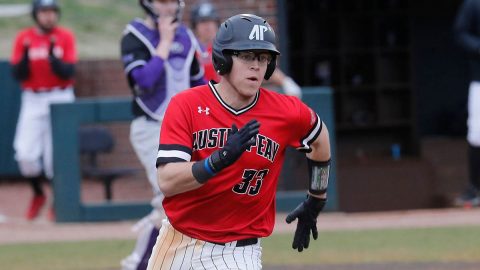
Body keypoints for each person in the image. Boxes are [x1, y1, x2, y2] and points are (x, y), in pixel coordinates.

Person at [148, 14, 331, 269]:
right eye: (247, 56)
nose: (256, 65)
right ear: (223, 59)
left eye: (263, 58)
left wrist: (316, 198)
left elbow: (320, 139)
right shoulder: (187, 105)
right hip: (176, 241)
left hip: (235, 253)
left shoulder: (286, 112)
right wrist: (218, 160)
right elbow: (167, 180)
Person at [119, 0, 206, 269]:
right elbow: (143, 82)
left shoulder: (188, 37)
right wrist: (164, 42)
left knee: (183, 198)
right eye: (162, 1)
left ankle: (151, 261)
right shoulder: (134, 35)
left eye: (172, 1)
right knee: (168, 195)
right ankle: (140, 262)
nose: (168, 6)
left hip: (183, 127)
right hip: (151, 126)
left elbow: (199, 85)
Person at [10, 0, 77, 221]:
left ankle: (57, 203)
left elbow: (68, 72)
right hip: (33, 98)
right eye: (44, 12)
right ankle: (39, 193)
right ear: (35, 14)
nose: (48, 17)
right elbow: (18, 74)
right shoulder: (25, 38)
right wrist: (28, 56)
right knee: (25, 154)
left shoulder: (64, 36)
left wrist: (53, 57)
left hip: (60, 96)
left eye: (51, 12)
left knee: (53, 159)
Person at [191, 1, 303, 99]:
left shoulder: (228, 46)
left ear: (217, 23)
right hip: (201, 100)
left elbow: (257, 64)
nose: (207, 26)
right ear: (195, 25)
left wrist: (285, 81)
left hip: (227, 100)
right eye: (202, 22)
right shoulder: (190, 49)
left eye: (211, 21)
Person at [454, 0, 480, 207]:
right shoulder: (473, 4)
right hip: (479, 80)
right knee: (477, 133)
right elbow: (461, 33)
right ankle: (475, 188)